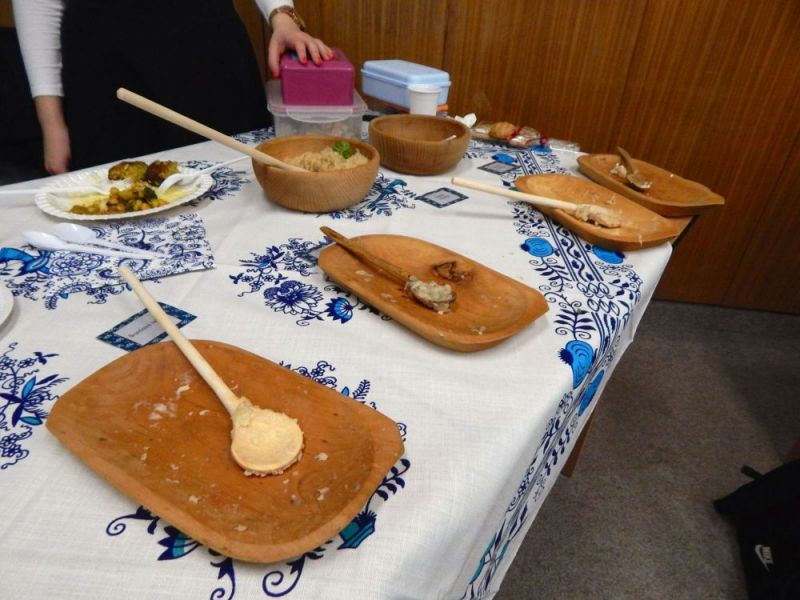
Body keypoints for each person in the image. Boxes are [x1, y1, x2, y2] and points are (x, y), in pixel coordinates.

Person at [12, 0, 332, 173]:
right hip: (105, 70)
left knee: (239, 195)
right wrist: (51, 122)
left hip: (208, 53)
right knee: (120, 207)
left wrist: (281, 15)